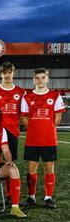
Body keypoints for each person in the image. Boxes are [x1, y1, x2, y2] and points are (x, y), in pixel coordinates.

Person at [20, 68, 66, 209]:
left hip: (49, 139)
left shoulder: (55, 95)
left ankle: (48, 197)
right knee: (31, 167)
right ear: (33, 80)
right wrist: (34, 127)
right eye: (37, 78)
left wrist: (47, 126)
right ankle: (31, 197)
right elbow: (23, 117)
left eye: (42, 77)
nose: (40, 80)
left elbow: (57, 118)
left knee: (49, 167)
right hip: (32, 139)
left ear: (47, 79)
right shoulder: (27, 96)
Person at [0, 62, 26, 205]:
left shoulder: (21, 92)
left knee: (10, 163)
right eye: (5, 72)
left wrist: (16, 124)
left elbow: (23, 113)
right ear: (0, 74)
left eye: (10, 72)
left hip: (12, 131)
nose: (7, 75)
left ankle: (10, 195)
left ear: (13, 73)